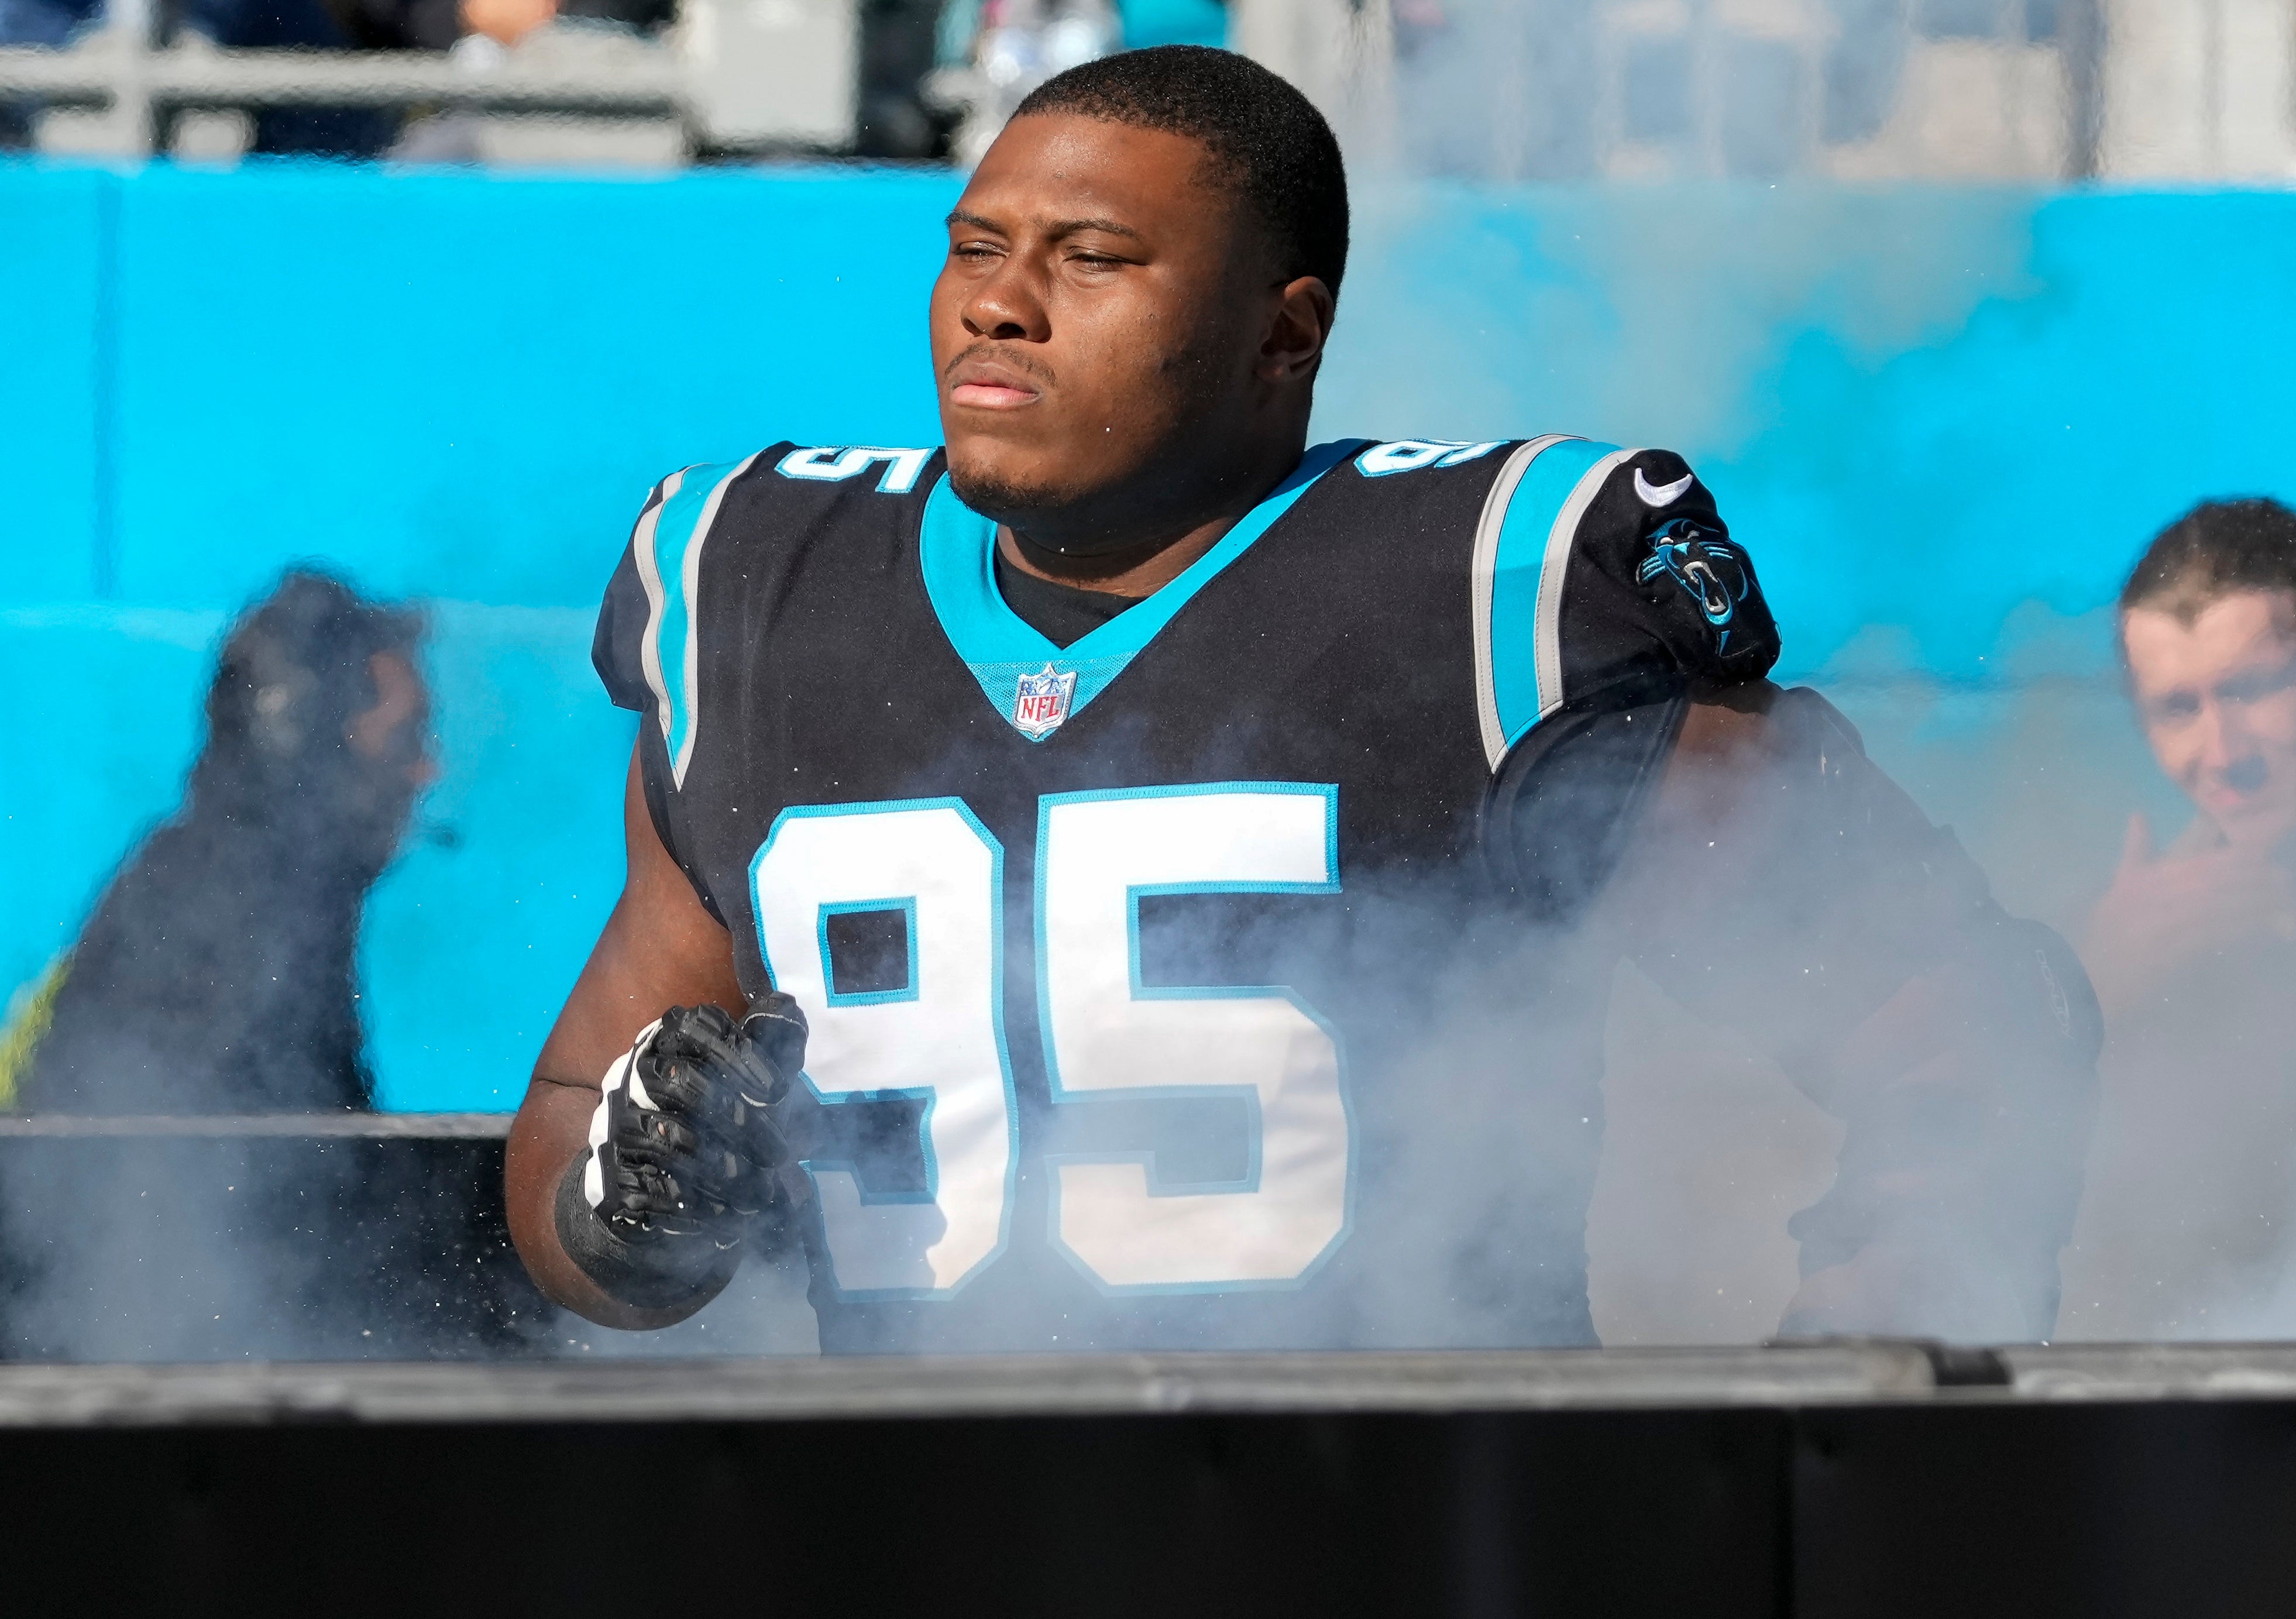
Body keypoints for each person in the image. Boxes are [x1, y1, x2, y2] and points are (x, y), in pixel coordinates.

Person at [506, 44, 2100, 1352]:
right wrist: (625, 1216)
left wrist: (1826, 1388)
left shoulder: (1486, 599)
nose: (999, 302)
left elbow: (1957, 1023)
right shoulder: (763, 587)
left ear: (1286, 334)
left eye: (1092, 258)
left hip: (1387, 1531)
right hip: (944, 1533)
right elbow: (581, 1102)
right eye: (977, 249)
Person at [2064, 500, 2296, 1336]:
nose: (2223, 755)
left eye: (2255, 690)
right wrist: (2090, 1002)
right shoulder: (2135, 926)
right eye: (2178, 710)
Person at [15, 569, 432, 1114]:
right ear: (304, 740)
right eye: (404, 738)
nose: (428, 770)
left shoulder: (246, 882)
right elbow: (251, 1181)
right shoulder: (232, 911)